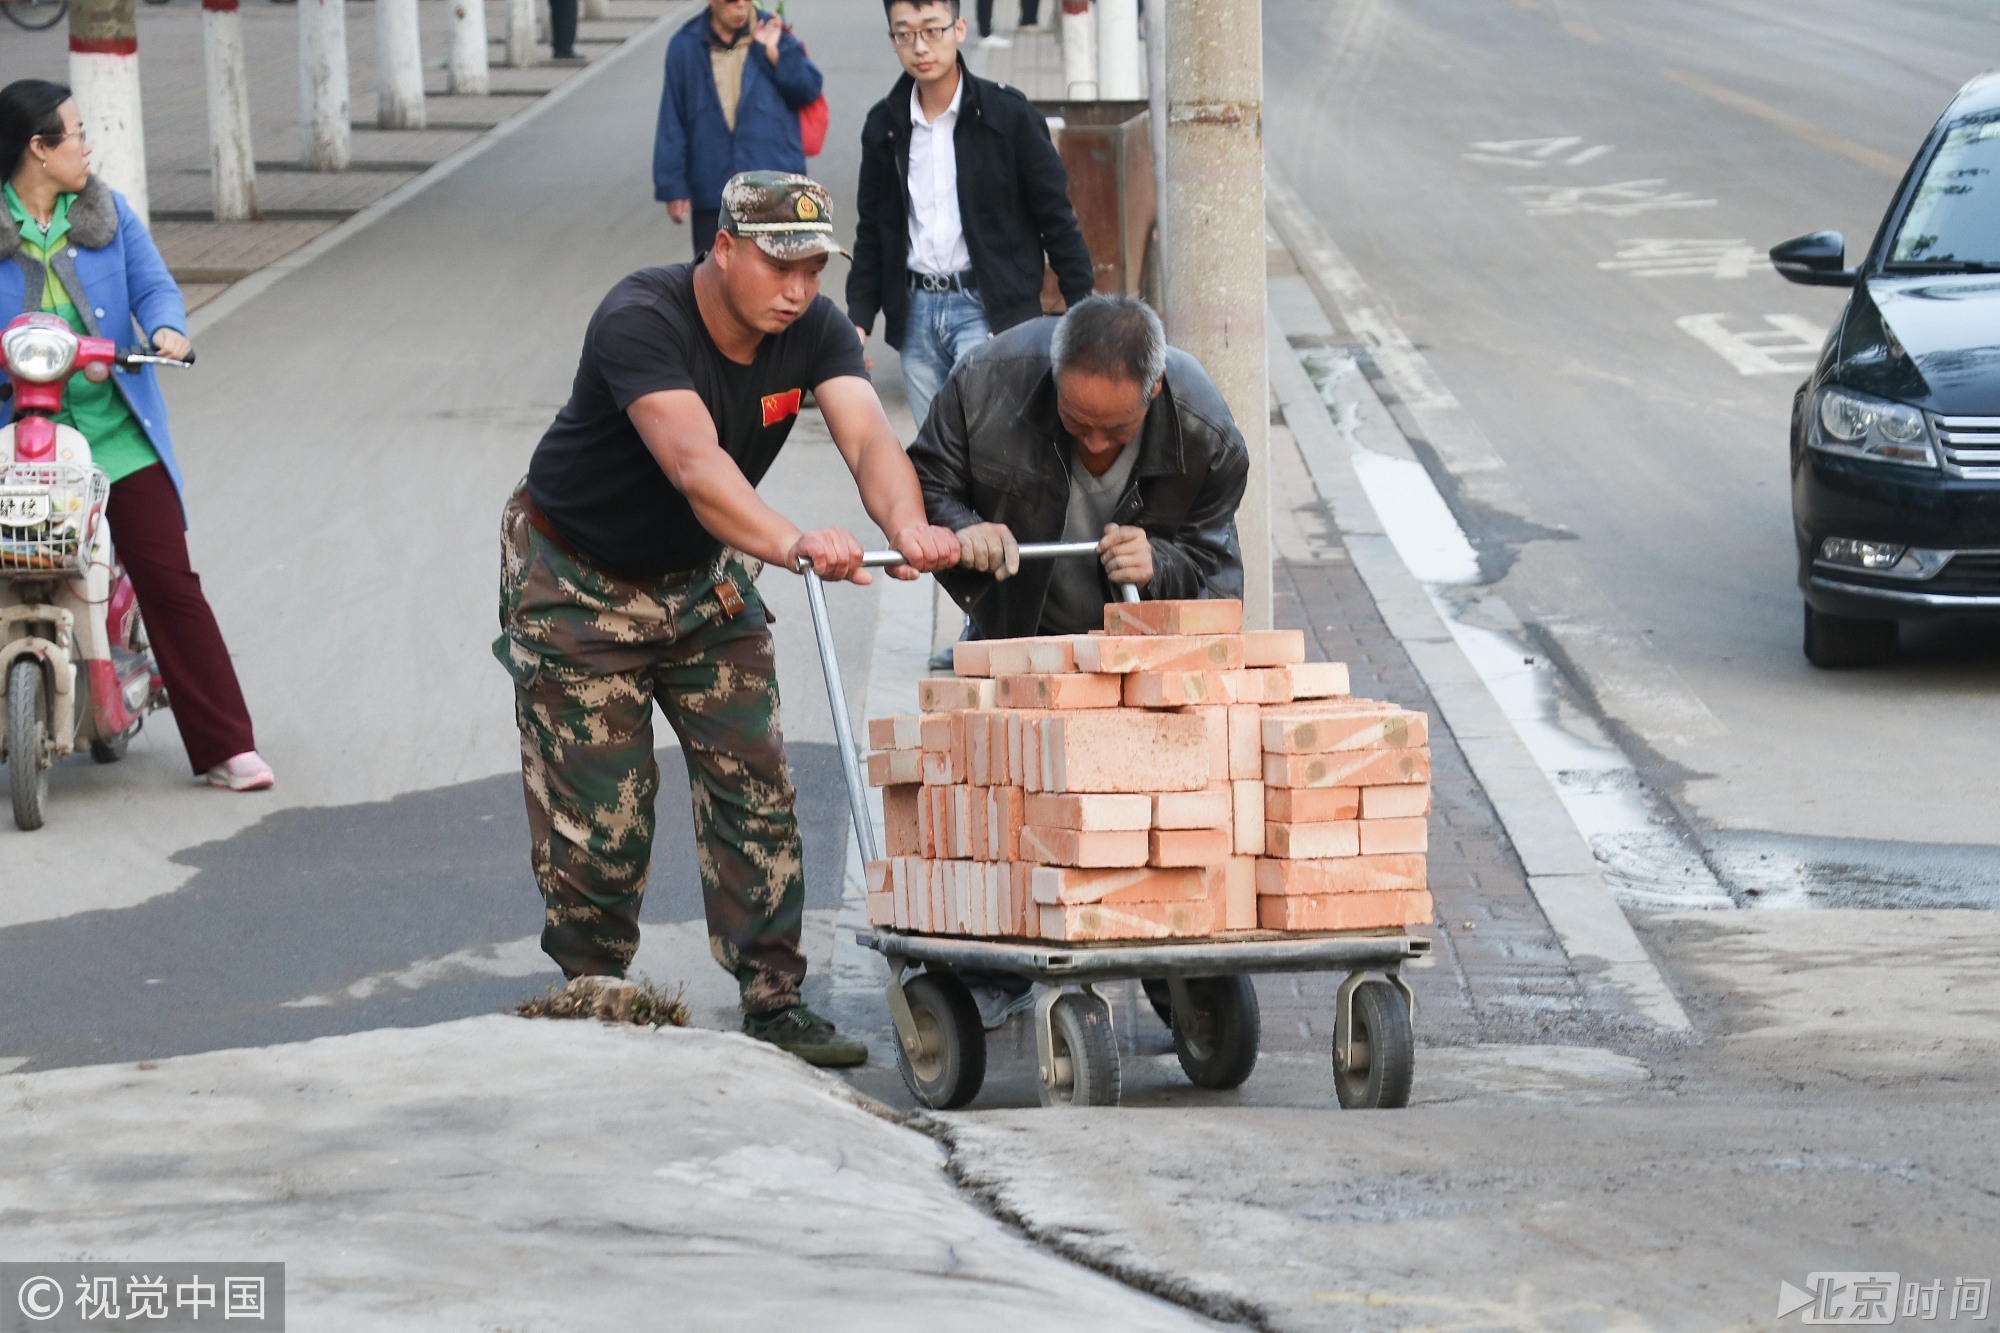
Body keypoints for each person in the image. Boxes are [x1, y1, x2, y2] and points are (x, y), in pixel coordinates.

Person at [496, 172, 958, 1067]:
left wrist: (905, 527)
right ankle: (595, 995)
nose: (798, 290)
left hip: (702, 578)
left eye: (815, 268)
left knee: (757, 783)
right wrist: (793, 543)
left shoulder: (815, 328)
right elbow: (694, 462)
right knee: (606, 814)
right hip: (580, 581)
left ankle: (775, 996)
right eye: (781, 265)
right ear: (723, 248)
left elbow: (867, 435)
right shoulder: (642, 317)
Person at [0, 80, 272, 793]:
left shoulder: (106, 213)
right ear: (38, 149)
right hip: (16, 440)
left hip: (113, 433)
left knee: (169, 582)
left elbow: (154, 288)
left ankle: (224, 745)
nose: (87, 145)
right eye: (75, 133)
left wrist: (167, 329)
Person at [909, 294, 1247, 644]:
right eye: (1076, 421)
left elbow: (1216, 579)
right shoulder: (985, 380)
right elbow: (924, 483)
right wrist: (964, 526)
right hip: (1018, 638)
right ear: (1055, 372)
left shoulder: (1206, 432)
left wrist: (1157, 566)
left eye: (1116, 430)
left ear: (1156, 386)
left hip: (1142, 651)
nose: (1094, 444)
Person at [848, 0, 1093, 432]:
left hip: (987, 312)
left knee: (989, 450)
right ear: (892, 40)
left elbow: (1056, 219)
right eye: (904, 34)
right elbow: (873, 229)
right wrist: (859, 321)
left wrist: (1085, 315)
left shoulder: (1009, 116)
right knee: (936, 458)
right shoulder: (884, 127)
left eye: (931, 31)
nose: (919, 47)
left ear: (959, 28)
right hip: (916, 314)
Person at [654, 0, 823, 259]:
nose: (741, 5)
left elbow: (809, 88)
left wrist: (775, 56)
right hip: (713, 192)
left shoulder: (774, 33)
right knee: (714, 280)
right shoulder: (685, 45)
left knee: (775, 278)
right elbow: (672, 120)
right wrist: (673, 186)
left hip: (774, 189)